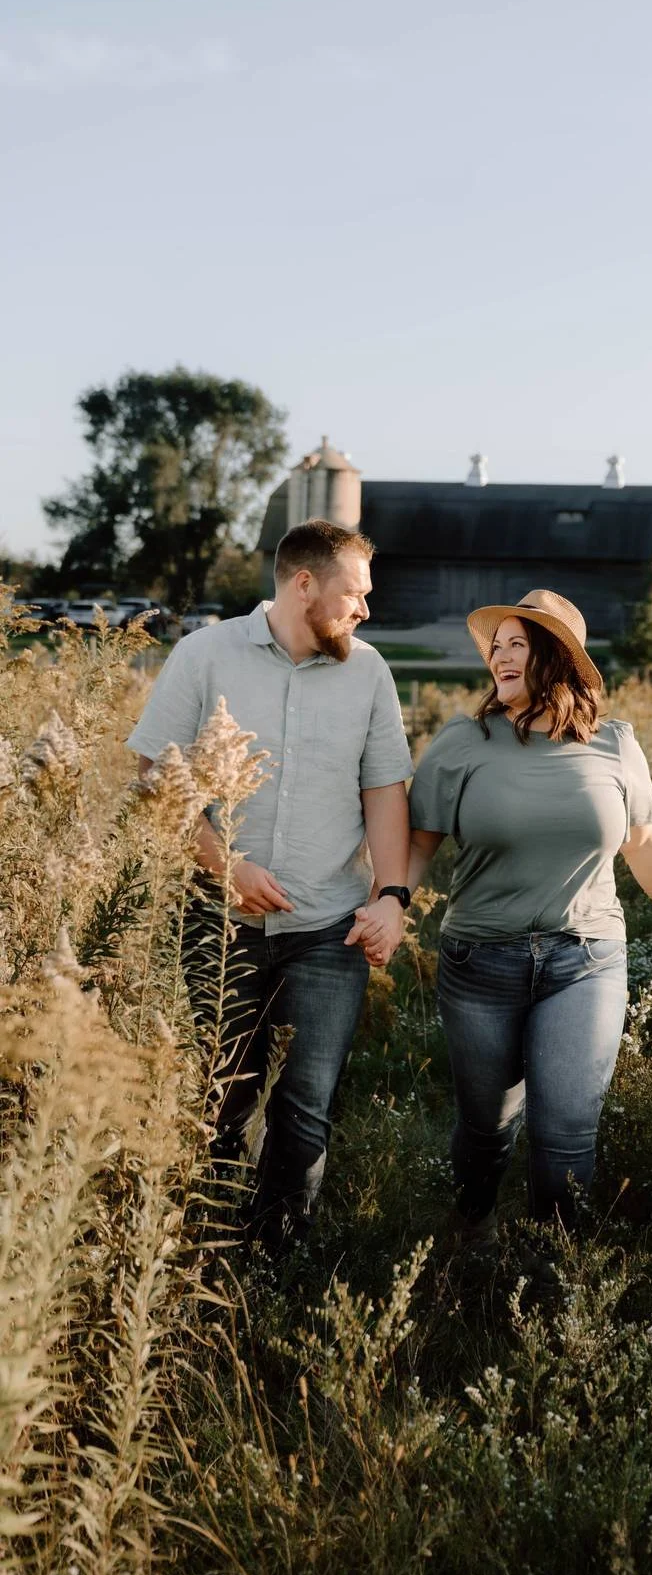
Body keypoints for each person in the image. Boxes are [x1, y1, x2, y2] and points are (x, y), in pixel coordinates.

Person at [127, 518, 414, 1254]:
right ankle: (211, 1246)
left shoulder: (370, 672)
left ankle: (277, 1260)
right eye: (355, 594)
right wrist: (223, 863)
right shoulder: (205, 656)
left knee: (307, 1103)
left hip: (329, 926)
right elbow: (155, 779)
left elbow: (385, 790)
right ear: (304, 584)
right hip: (218, 922)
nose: (365, 610)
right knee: (221, 1096)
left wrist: (392, 896)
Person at [383, 587, 652, 1240]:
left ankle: (555, 1278)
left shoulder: (615, 743)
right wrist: (390, 904)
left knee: (564, 1135)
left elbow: (643, 839)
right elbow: (419, 842)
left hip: (584, 962)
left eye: (516, 645)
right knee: (487, 1126)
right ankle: (469, 1225)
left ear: (554, 658)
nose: (499, 658)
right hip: (480, 964)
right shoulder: (463, 741)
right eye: (495, 647)